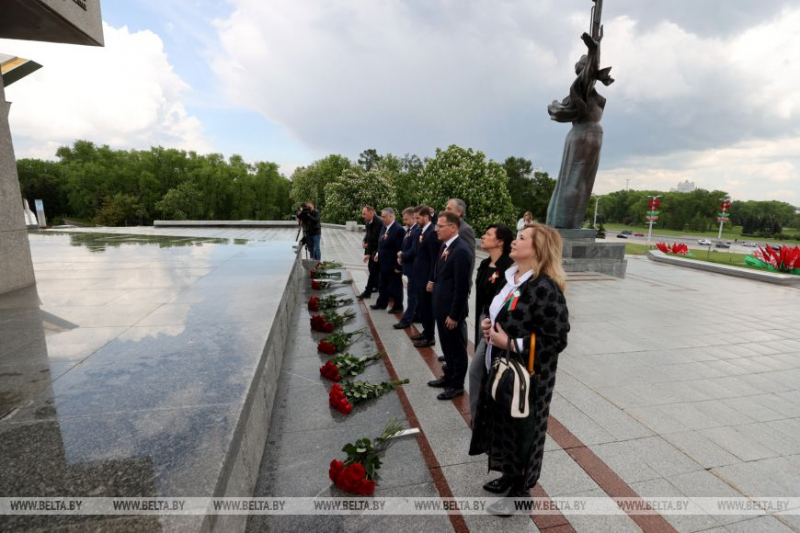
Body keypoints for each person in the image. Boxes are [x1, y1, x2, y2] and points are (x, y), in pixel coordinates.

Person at [469, 222, 570, 516]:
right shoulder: (511, 278)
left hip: (529, 379)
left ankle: (521, 493)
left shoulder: (544, 287)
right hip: (503, 371)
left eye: (522, 238)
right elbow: (500, 312)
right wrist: (488, 326)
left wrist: (510, 342)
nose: (514, 241)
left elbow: (556, 339)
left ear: (537, 249)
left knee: (524, 433)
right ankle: (509, 476)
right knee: (504, 427)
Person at [546, 29, 613, 229]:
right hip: (585, 134)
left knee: (579, 182)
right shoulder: (584, 85)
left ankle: (567, 221)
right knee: (575, 181)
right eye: (593, 64)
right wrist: (594, 48)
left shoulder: (589, 90)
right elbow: (591, 70)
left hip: (587, 135)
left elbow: (592, 69)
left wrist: (595, 49)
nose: (598, 68)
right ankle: (565, 223)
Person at [468, 224, 514, 422]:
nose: (483, 237)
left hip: (497, 326)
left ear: (500, 241)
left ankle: (479, 416)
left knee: (477, 370)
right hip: (483, 319)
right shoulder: (485, 264)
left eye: (488, 234)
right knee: (484, 368)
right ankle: (482, 413)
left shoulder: (509, 268)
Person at [426, 211, 471, 400]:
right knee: (446, 346)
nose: (436, 229)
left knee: (456, 349)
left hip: (451, 311)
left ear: (453, 228)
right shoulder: (445, 245)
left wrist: (454, 314)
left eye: (440, 226)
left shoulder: (461, 251)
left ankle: (457, 385)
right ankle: (448, 376)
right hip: (441, 306)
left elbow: (461, 289)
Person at [411, 206, 438, 348]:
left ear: (427, 217)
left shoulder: (432, 233)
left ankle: (430, 337)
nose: (416, 221)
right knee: (423, 307)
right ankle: (425, 331)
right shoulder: (422, 231)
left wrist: (431, 279)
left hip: (426, 277)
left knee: (428, 308)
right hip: (419, 276)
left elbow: (434, 259)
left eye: (418, 218)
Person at [371, 208, 404, 313]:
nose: (382, 218)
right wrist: (377, 254)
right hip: (383, 263)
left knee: (395, 287)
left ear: (391, 216)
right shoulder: (384, 227)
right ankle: (381, 303)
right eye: (382, 216)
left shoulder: (398, 230)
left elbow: (400, 249)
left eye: (384, 216)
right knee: (382, 285)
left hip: (393, 264)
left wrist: (399, 266)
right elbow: (380, 243)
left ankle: (398, 306)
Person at [394, 208, 421, 330]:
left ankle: (406, 320)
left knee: (412, 295)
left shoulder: (416, 231)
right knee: (414, 295)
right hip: (410, 266)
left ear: (413, 217)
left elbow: (415, 251)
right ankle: (417, 315)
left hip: (415, 269)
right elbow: (406, 246)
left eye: (406, 219)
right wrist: (402, 257)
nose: (404, 222)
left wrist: (402, 255)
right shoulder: (410, 230)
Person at [357, 206, 382, 299]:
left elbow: (379, 239)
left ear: (371, 213)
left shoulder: (379, 222)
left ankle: (369, 291)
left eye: (364, 213)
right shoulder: (368, 222)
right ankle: (375, 286)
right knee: (371, 268)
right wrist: (364, 241)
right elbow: (368, 235)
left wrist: (374, 253)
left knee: (374, 270)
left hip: (378, 251)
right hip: (371, 250)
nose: (362, 216)